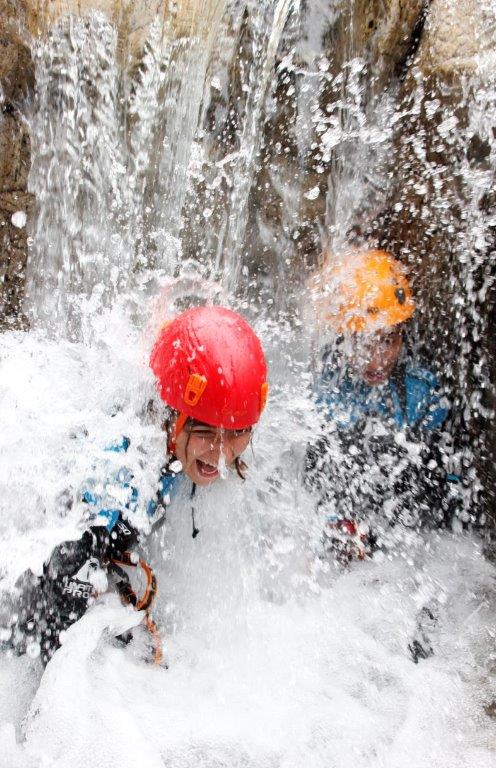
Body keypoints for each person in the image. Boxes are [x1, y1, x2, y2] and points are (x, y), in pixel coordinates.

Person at [2, 306, 269, 665]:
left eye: (237, 433)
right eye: (205, 431)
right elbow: (55, 616)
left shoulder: (175, 433)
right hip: (32, 592)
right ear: (168, 416)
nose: (222, 454)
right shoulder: (117, 477)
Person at [305, 249, 462, 563]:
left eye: (387, 340)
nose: (375, 358)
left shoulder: (423, 393)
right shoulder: (325, 391)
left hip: (404, 536)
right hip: (342, 529)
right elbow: (311, 481)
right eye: (362, 341)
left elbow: (447, 479)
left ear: (402, 336)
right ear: (343, 336)